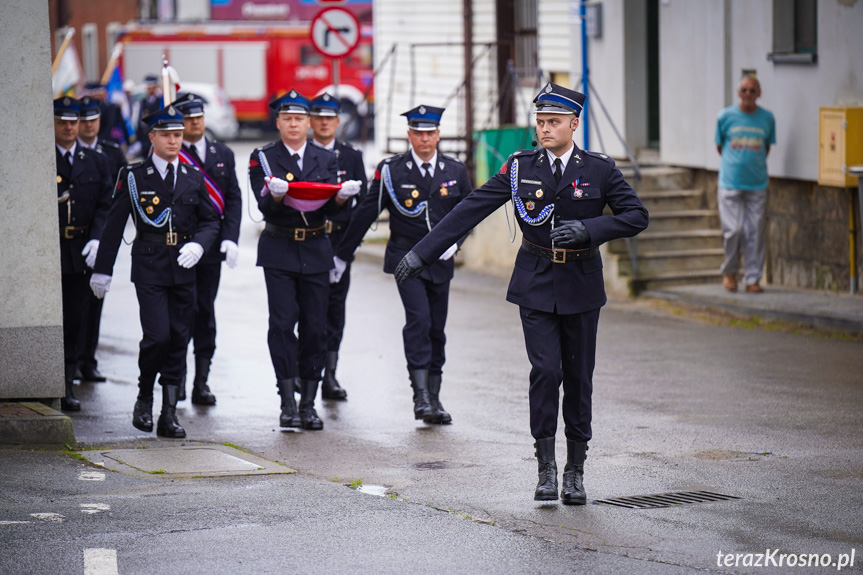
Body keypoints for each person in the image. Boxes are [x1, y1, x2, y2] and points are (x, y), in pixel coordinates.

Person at [395, 83, 649, 504]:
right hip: (535, 283)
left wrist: (590, 229)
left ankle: (575, 471)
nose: (544, 129)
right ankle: (546, 467)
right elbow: (470, 207)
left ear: (574, 123)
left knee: (579, 379)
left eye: (553, 122)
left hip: (582, 285)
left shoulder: (600, 169)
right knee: (547, 371)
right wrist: (423, 253)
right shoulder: (519, 166)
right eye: (540, 121)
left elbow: (636, 215)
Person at [333, 105, 472, 424]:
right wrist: (342, 253)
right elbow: (367, 212)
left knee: (437, 328)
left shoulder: (455, 170)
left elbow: (469, 211)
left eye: (430, 133)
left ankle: (435, 398)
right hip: (406, 259)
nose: (425, 139)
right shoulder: (392, 170)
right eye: (418, 133)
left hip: (440, 260)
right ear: (409, 135)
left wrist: (456, 242)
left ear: (438, 134)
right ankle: (420, 396)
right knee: (419, 320)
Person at [90, 102, 220, 438]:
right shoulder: (134, 177)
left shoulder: (193, 176)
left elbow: (210, 220)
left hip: (184, 267)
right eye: (167, 135)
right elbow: (115, 224)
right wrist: (102, 270)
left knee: (179, 339)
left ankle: (168, 414)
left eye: (178, 135)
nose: (174, 141)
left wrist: (200, 244)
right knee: (157, 337)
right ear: (152, 137)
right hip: (150, 266)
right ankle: (145, 394)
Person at [248, 89, 362, 431]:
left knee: (316, 327)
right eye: (288, 119)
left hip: (315, 248)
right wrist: (275, 196)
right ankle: (287, 402)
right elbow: (262, 205)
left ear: (309, 123)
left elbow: (328, 206)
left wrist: (341, 201)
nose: (294, 124)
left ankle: (309, 404)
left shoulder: (325, 158)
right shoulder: (263, 157)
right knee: (282, 326)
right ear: (279, 122)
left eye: (300, 119)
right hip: (279, 247)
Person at [173, 92, 243, 405]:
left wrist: (231, 237)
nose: (195, 124)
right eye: (188, 119)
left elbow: (233, 198)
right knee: (180, 315)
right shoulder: (171, 152)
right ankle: (178, 379)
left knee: (204, 312)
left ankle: (201, 381)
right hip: (178, 249)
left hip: (211, 249)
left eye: (198, 118)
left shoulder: (222, 153)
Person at [53, 96, 113, 411]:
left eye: (72, 122)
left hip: (81, 251)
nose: (68, 127)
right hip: (51, 251)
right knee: (54, 318)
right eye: (62, 121)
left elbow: (105, 203)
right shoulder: (44, 158)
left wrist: (98, 238)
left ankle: (67, 383)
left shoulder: (96, 160)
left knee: (76, 317)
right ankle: (50, 380)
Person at [309, 93, 368, 400]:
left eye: (329, 118)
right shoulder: (302, 153)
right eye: (318, 117)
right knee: (307, 312)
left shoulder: (350, 156)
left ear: (337, 121)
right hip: (310, 242)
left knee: (334, 311)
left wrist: (346, 252)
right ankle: (308, 372)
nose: (324, 123)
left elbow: (364, 206)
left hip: (340, 242)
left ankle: (329, 375)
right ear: (311, 121)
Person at [76, 96, 128, 384]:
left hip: (103, 238)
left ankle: (88, 360)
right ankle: (69, 360)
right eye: (84, 120)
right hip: (75, 238)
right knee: (74, 303)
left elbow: (118, 198)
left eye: (93, 120)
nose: (89, 125)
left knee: (95, 301)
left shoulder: (111, 153)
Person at [715, 75, 775, 293]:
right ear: (738, 93)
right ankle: (730, 273)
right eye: (744, 90)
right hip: (730, 182)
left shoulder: (767, 118)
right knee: (733, 230)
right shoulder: (725, 116)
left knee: (755, 232)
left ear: (759, 93)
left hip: (757, 183)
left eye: (752, 90)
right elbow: (720, 146)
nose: (748, 94)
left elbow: (766, 147)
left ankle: (752, 279)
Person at [133, 75, 161, 158]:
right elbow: (140, 120)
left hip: (155, 137)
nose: (148, 89)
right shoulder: (143, 101)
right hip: (144, 138)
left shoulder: (160, 101)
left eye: (151, 86)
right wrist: (138, 139)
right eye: (148, 87)